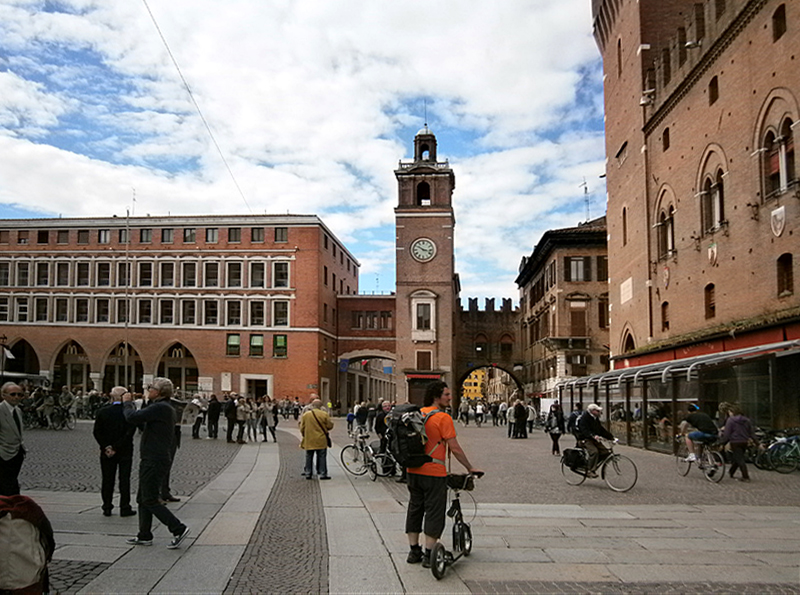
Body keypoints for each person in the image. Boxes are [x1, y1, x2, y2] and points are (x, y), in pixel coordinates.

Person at [405, 381, 483, 568]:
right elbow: (454, 447)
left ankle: (413, 550)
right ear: (436, 396)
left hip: (413, 471)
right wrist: (469, 467)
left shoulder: (418, 414)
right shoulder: (442, 418)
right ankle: (429, 553)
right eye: (446, 395)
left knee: (415, 508)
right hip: (434, 472)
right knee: (434, 511)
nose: (449, 398)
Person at [122, 377, 190, 549]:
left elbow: (131, 417)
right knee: (142, 498)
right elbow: (145, 426)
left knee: (150, 498)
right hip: (153, 457)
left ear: (159, 392)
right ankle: (144, 534)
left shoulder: (160, 407)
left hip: (154, 458)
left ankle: (178, 528)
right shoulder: (162, 407)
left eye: (151, 388)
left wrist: (128, 403)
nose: (148, 389)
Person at [93, 387, 136, 517]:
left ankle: (107, 506)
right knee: (124, 480)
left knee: (107, 479)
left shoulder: (102, 411)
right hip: (124, 450)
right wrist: (116, 446)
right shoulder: (127, 412)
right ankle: (125, 507)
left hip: (106, 452)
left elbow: (97, 432)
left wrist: (106, 446)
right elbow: (130, 433)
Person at [0, 382, 26, 496]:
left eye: (20, 395)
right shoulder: (1, 410)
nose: (16, 397)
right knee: (5, 484)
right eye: (13, 394)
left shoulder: (18, 410)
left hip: (17, 452)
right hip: (3, 454)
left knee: (11, 482)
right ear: (3, 395)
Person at [575, 403, 614, 477]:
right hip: (585, 439)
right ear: (592, 411)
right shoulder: (584, 418)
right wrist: (593, 436)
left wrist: (611, 437)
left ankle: (594, 464)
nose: (599, 413)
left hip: (593, 439)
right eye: (597, 411)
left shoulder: (595, 418)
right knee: (594, 452)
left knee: (605, 452)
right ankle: (589, 470)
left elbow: (601, 429)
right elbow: (584, 430)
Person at [299, 399, 333, 480]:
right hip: (321, 439)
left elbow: (302, 428)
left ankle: (308, 473)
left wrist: (305, 435)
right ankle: (322, 473)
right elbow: (329, 426)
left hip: (309, 439)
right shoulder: (324, 414)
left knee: (309, 456)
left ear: (312, 405)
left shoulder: (306, 415)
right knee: (322, 456)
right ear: (321, 406)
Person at [721, 404, 755, 482]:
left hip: (735, 441)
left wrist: (723, 442)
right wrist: (756, 442)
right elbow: (751, 432)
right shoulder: (747, 420)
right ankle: (731, 471)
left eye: (729, 412)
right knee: (738, 456)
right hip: (744, 441)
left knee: (740, 459)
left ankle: (745, 476)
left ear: (732, 412)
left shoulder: (731, 420)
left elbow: (727, 433)